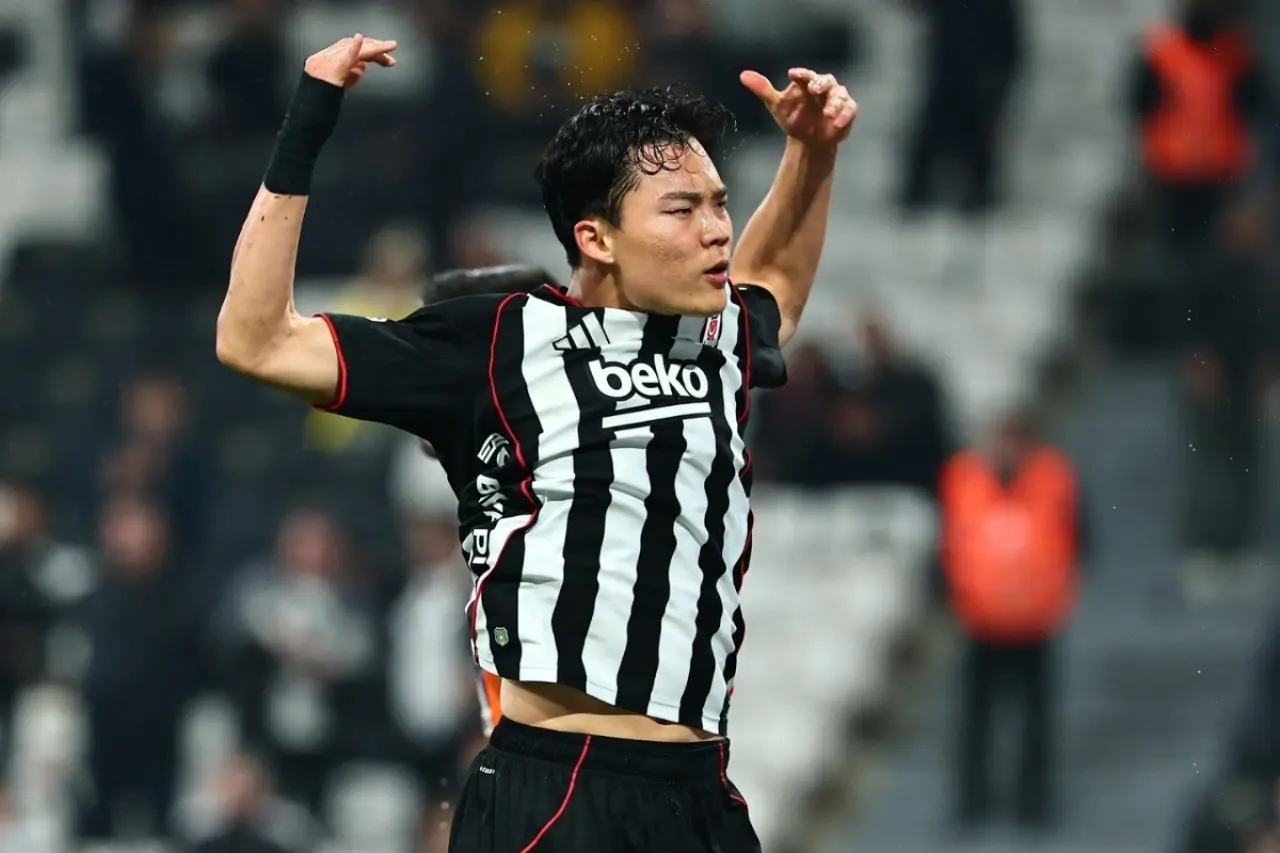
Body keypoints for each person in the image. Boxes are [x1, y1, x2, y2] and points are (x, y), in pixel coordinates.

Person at [216, 33, 855, 852]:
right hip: (559, 785)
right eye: (682, 209)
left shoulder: (718, 334)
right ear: (596, 237)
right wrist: (308, 121)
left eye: (720, 203)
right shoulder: (500, 340)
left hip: (702, 792)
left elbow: (777, 287)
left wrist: (810, 152)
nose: (716, 232)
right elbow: (256, 340)